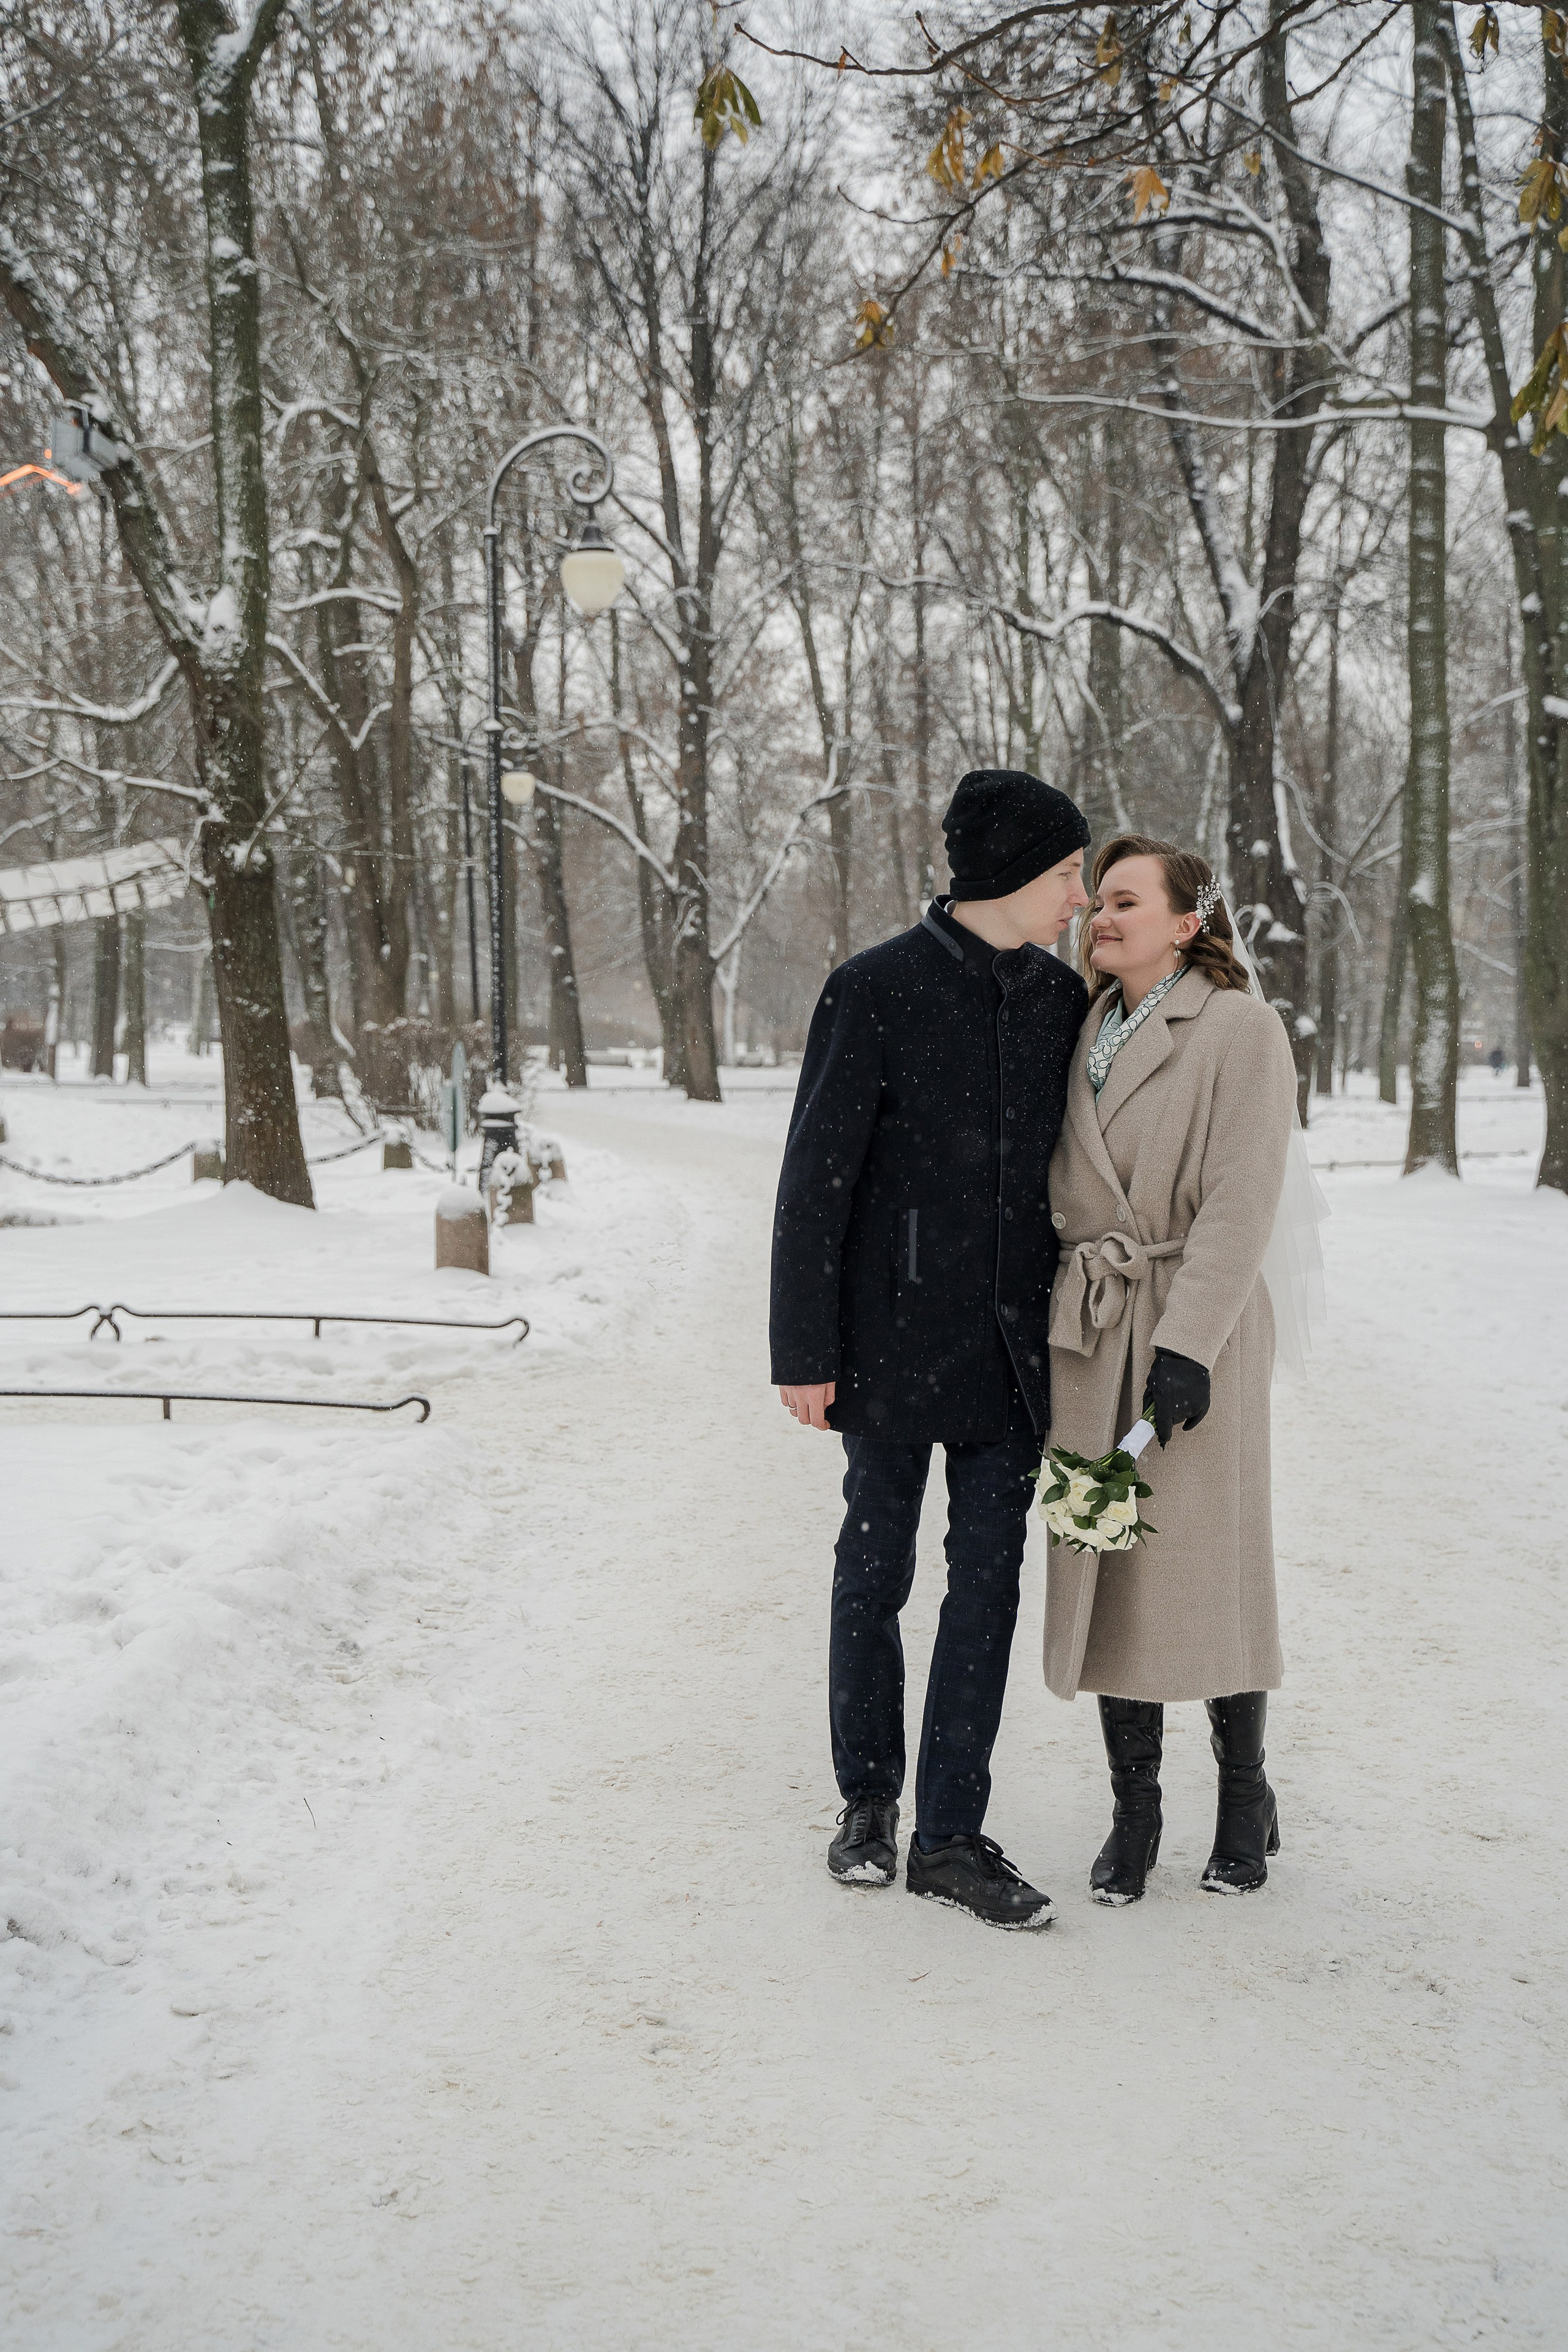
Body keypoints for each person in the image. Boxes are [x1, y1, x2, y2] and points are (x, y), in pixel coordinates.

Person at [771, 769, 1089, 1931]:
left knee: (989, 1585)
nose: (1078, 895)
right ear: (1011, 873)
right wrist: (803, 1352)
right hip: (890, 1343)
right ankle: (868, 1802)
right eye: (1065, 873)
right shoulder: (875, 990)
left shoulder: (1063, 1001)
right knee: (876, 1571)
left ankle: (952, 1832)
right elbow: (816, 1181)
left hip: (1015, 1351)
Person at [1043, 834, 1297, 1905]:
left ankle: (1243, 1794)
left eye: (1127, 901)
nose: (1102, 917)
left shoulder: (1239, 1028)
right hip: (1093, 1326)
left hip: (1198, 1322)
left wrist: (1189, 1345)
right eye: (1098, 901)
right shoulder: (1082, 1023)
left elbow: (1243, 1202)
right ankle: (1134, 1810)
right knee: (1109, 1559)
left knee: (1206, 1564)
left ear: (1188, 923)